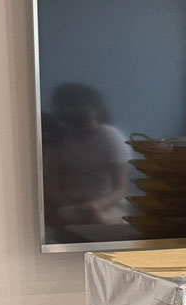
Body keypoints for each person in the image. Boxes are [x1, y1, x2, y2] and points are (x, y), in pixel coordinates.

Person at [46, 83, 130, 229]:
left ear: (95, 110)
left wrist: (97, 205)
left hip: (106, 205)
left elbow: (120, 189)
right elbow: (52, 185)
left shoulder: (111, 138)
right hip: (68, 204)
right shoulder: (60, 138)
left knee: (96, 221)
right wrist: (69, 205)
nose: (71, 111)